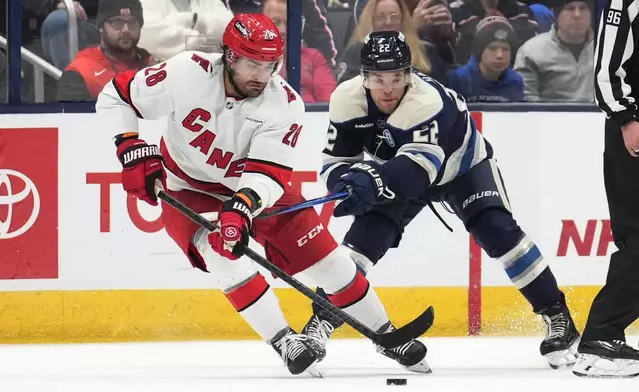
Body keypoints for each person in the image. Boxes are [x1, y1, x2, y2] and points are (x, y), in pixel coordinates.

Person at [95, 13, 429, 376]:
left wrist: (241, 208)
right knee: (222, 253)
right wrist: (129, 147)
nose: (262, 74)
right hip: (188, 186)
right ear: (231, 56)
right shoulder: (184, 72)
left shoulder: (283, 103)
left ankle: (388, 335)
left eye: (270, 64)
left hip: (256, 190)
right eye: (253, 63)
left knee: (328, 260)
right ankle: (285, 341)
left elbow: (268, 173)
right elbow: (116, 96)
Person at [300, 30, 580, 371]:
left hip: (462, 167)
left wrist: (372, 180)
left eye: (396, 76)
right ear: (364, 76)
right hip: (395, 169)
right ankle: (320, 324)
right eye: (377, 77)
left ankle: (558, 316)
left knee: (498, 231)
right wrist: (347, 186)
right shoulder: (346, 100)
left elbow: (417, 174)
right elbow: (335, 165)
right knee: (361, 243)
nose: (387, 87)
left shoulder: (426, 100)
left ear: (409, 73)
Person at [571, 0, 639, 379]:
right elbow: (607, 72)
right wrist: (628, 119)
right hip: (634, 131)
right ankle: (602, 335)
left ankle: (605, 333)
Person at [58, 0, 152, 102]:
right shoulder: (80, 72)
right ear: (101, 27)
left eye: (132, 23)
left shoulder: (152, 66)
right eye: (117, 23)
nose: (126, 30)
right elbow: (74, 117)